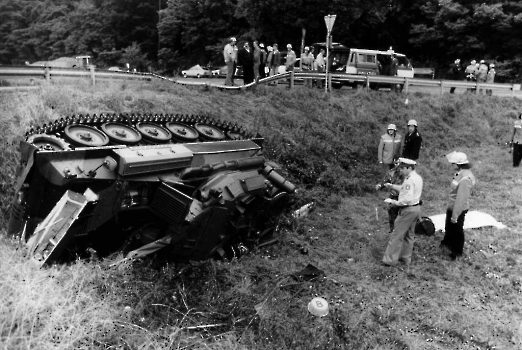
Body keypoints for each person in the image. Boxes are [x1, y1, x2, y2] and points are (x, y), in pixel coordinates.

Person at [382, 158, 423, 266]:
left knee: (397, 234)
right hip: (416, 208)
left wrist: (394, 202)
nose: (401, 171)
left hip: (407, 210)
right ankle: (405, 258)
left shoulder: (409, 180)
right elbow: (405, 189)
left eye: (403, 168)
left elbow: (407, 199)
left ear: (409, 168)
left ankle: (389, 260)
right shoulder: (417, 178)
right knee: (409, 234)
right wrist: (392, 186)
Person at [440, 151, 476, 261]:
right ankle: (447, 242)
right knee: (449, 227)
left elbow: (461, 199)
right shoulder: (460, 173)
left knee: (457, 230)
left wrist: (455, 215)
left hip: (458, 208)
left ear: (458, 164)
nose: (452, 166)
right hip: (452, 206)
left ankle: (457, 250)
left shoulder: (465, 178)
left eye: (453, 164)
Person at [375, 158, 404, 233]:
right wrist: (380, 185)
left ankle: (401, 231)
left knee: (402, 214)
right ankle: (392, 230)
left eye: (399, 163)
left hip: (403, 196)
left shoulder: (405, 172)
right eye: (396, 163)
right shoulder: (391, 172)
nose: (397, 164)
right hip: (393, 195)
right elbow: (385, 180)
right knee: (391, 212)